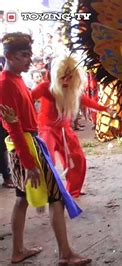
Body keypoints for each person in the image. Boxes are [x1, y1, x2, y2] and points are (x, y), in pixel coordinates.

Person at [0, 32, 91, 265]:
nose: (29, 59)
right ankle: (65, 254)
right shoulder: (5, 84)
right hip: (26, 146)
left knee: (22, 199)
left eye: (30, 54)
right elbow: (13, 128)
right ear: (9, 56)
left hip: (29, 143)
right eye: (23, 55)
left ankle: (18, 250)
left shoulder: (17, 79)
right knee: (56, 198)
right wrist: (29, 163)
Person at [31, 55, 107, 198]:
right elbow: (28, 99)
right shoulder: (45, 87)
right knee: (47, 161)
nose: (66, 80)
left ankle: (73, 191)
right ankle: (48, 192)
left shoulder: (72, 90)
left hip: (65, 129)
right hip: (46, 129)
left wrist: (104, 109)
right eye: (63, 77)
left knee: (78, 159)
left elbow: (84, 99)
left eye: (70, 77)